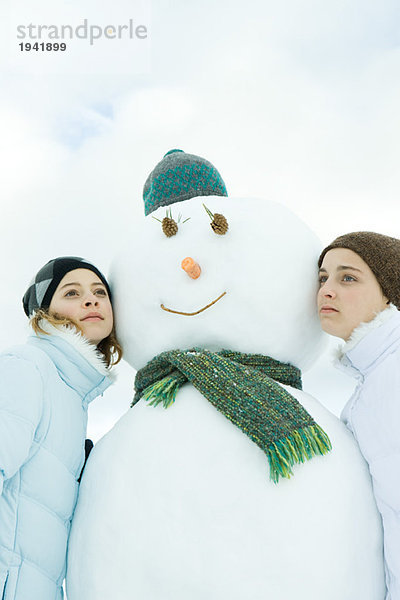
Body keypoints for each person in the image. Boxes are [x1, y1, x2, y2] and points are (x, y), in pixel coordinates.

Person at [0, 256, 122, 600]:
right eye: (71, 293)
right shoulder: (27, 367)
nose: (91, 299)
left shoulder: (74, 397)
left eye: (100, 291)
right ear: (44, 312)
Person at [317, 231, 400, 600]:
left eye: (347, 277)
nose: (327, 290)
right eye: (323, 278)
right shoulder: (372, 382)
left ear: (389, 292)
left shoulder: (392, 376)